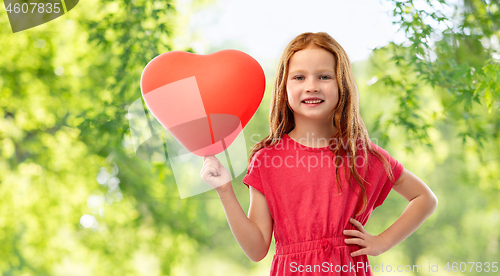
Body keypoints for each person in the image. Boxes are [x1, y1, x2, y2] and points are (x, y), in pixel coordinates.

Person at [200, 32, 438, 275]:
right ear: (284, 86)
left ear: (341, 85)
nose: (311, 86)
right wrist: (225, 191)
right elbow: (257, 249)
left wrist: (382, 242)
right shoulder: (266, 160)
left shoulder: (362, 154)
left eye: (324, 76)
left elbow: (424, 198)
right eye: (299, 77)